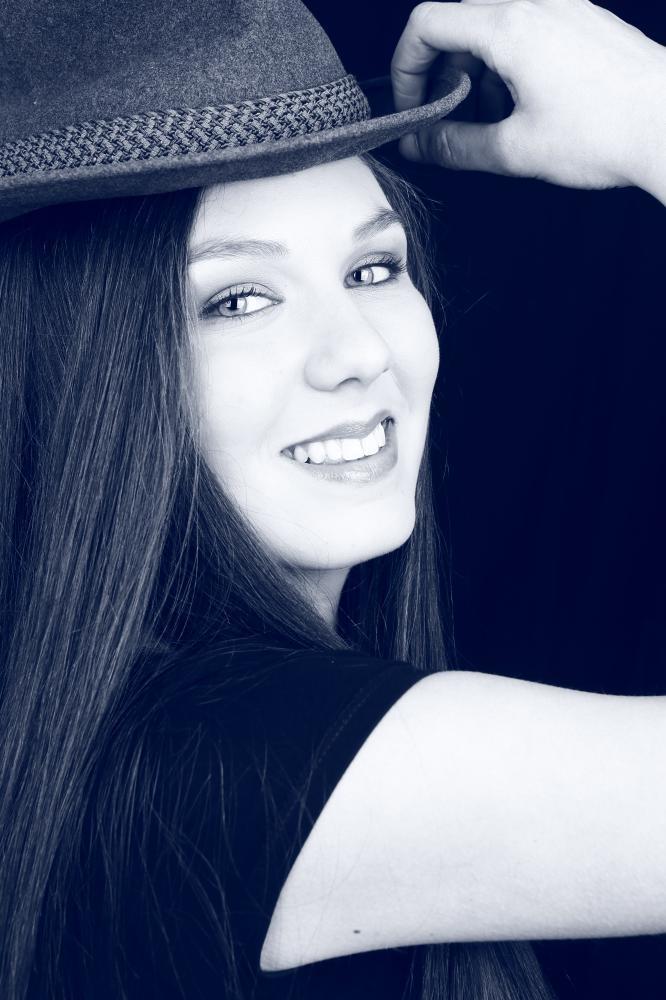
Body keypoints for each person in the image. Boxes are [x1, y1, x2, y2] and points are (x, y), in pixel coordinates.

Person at [0, 1, 664, 999]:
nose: (358, 351)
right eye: (238, 299)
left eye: (372, 268)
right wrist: (651, 107)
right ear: (87, 374)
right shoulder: (213, 762)